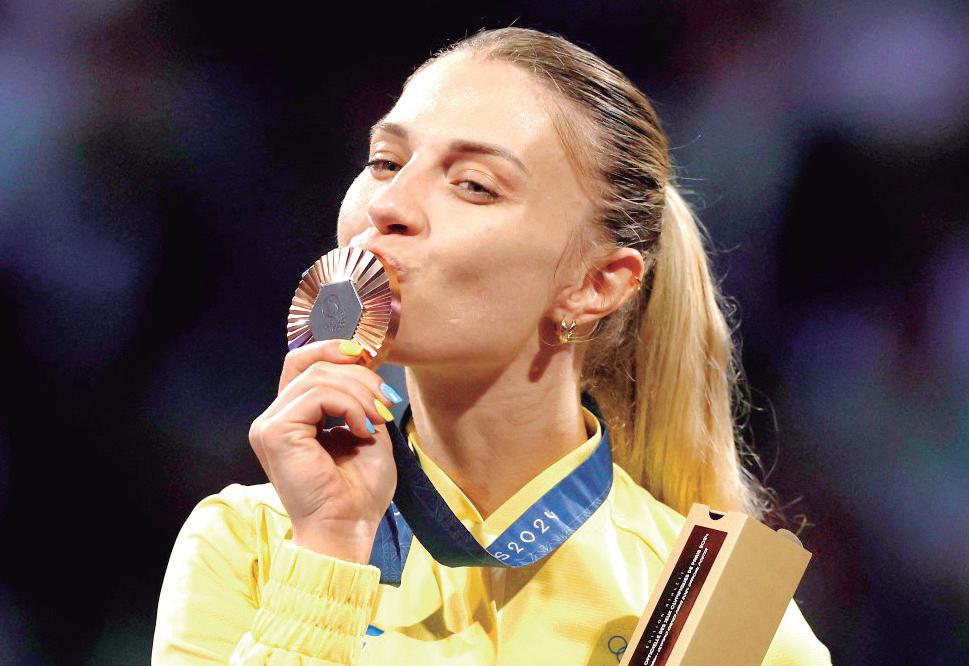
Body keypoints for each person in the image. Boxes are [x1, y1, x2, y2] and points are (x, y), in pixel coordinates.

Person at [152, 27, 831, 665]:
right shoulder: (248, 541)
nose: (388, 205)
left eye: (474, 185)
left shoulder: (721, 607)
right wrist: (331, 545)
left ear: (595, 284)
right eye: (385, 161)